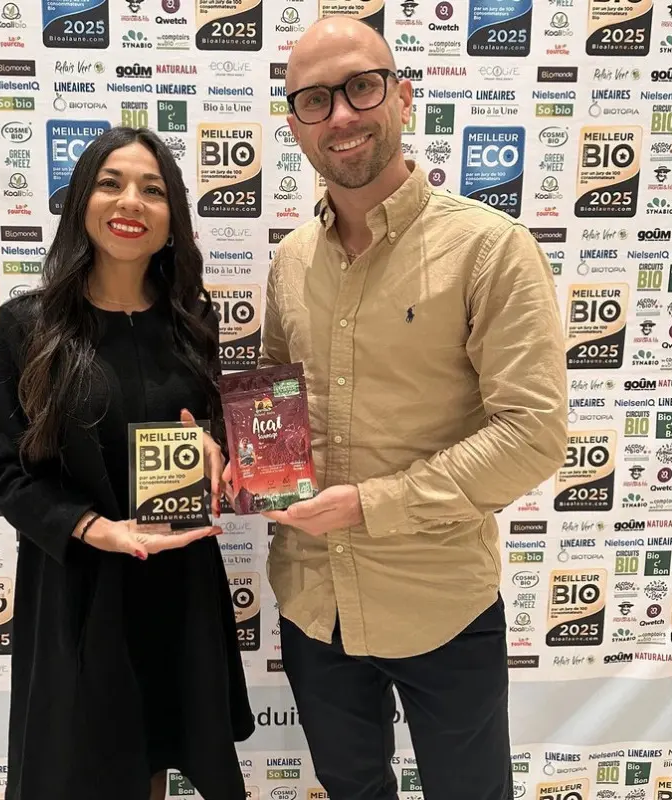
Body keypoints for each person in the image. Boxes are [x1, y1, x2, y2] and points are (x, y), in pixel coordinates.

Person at [226, 16, 568, 800]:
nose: (341, 114)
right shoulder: (291, 260)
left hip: (440, 601)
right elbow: (274, 403)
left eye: (361, 87)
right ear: (295, 126)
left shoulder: (490, 249)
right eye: (315, 100)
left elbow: (533, 434)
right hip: (314, 603)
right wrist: (232, 460)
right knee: (350, 788)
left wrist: (368, 506)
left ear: (404, 97)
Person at [0, 127, 254, 800]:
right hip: (80, 585)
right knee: (81, 764)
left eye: (152, 190)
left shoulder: (194, 322)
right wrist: (94, 529)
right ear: (82, 201)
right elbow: (4, 471)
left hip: (179, 582)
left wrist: (217, 451)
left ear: (172, 218)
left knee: (159, 751)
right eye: (111, 183)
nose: (131, 201)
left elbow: (211, 432)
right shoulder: (28, 326)